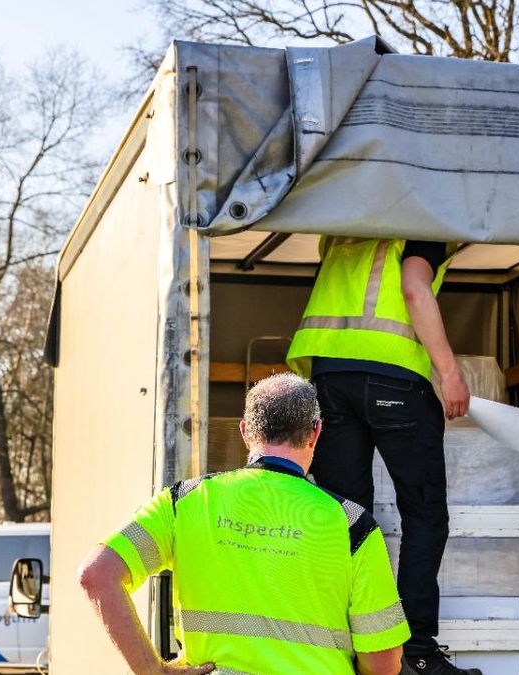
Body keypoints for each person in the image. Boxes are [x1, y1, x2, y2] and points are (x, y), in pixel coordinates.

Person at [78, 373, 410, 675]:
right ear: (315, 433)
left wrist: (151, 670)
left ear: (245, 432)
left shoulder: (183, 502)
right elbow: (383, 661)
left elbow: (97, 574)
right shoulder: (353, 525)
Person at [286, 237, 477, 675]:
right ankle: (416, 653)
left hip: (330, 378)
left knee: (346, 518)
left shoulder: (342, 229)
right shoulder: (420, 226)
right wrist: (449, 373)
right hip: (395, 380)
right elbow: (414, 286)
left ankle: (349, 647)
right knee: (424, 514)